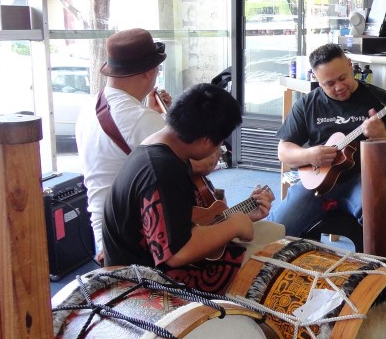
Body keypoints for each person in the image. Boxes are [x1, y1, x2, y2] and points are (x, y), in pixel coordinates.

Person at [102, 83, 274, 294]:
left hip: (154, 264)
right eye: (219, 143)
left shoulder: (162, 149)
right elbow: (176, 253)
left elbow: (184, 222)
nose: (218, 151)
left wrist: (241, 215)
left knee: (273, 233)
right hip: (143, 283)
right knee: (269, 266)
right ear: (204, 141)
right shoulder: (162, 170)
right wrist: (234, 226)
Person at [269, 43, 386, 237]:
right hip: (318, 183)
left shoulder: (379, 99)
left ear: (350, 65)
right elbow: (283, 151)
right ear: (317, 79)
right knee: (277, 229)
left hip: (364, 179)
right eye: (329, 84)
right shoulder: (307, 104)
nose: (339, 87)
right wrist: (309, 154)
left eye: (342, 78)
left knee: (383, 221)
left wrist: (382, 136)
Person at [75, 28, 171, 257]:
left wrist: (152, 115)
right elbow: (192, 164)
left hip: (103, 232)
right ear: (149, 72)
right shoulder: (142, 120)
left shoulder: (88, 108)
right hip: (133, 239)